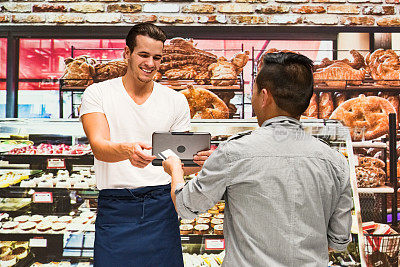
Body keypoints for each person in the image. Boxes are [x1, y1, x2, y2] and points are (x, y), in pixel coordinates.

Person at [163, 52, 353, 266]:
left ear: (264, 96)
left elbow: (187, 206)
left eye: (253, 91)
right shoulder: (336, 162)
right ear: (306, 101)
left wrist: (175, 169)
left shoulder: (233, 152)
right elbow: (339, 240)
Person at [80, 23, 210, 267]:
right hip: (115, 206)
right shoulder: (98, 93)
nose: (151, 63)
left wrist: (200, 163)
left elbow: (180, 165)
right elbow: (99, 146)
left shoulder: (175, 100)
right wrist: (128, 151)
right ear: (127, 53)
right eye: (143, 55)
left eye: (157, 57)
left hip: (162, 205)